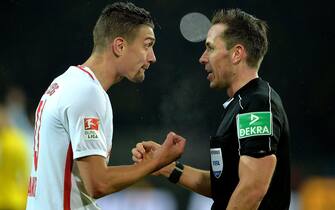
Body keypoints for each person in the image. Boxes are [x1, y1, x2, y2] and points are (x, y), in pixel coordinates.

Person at [26, 2, 186, 210]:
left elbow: (76, 182)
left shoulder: (64, 82)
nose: (152, 57)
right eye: (147, 45)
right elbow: (98, 184)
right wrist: (158, 161)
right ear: (120, 46)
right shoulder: (87, 93)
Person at [132, 8, 291, 210]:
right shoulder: (240, 104)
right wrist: (167, 167)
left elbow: (252, 189)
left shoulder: (257, 104)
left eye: (211, 48)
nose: (203, 58)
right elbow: (225, 186)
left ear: (237, 54)